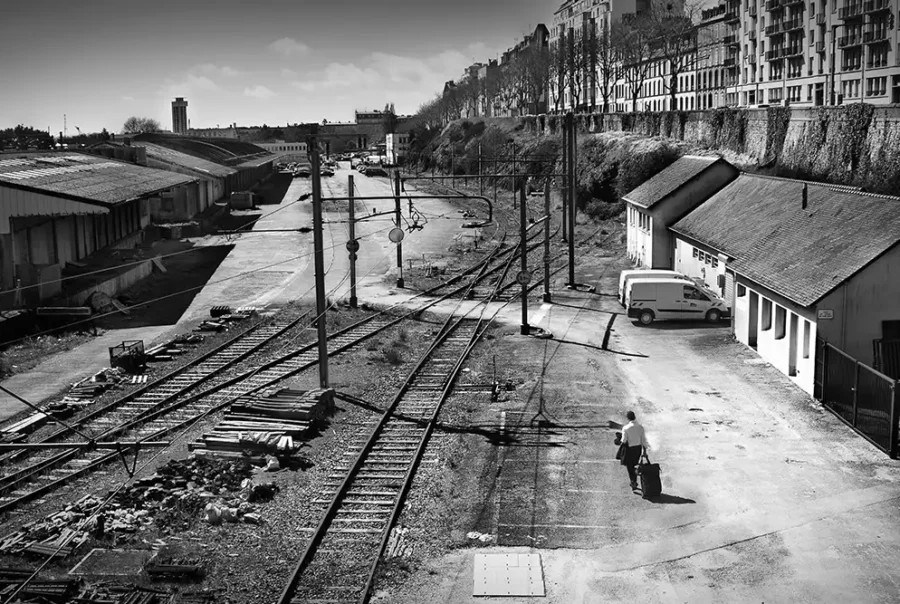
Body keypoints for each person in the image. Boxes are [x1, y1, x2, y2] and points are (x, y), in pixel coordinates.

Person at [621, 410, 647, 491]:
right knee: (635, 463)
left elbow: (624, 440)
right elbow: (643, 440)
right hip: (638, 449)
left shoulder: (625, 428)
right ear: (634, 417)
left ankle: (633, 481)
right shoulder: (640, 427)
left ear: (627, 418)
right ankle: (635, 475)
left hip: (629, 449)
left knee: (630, 466)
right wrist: (644, 451)